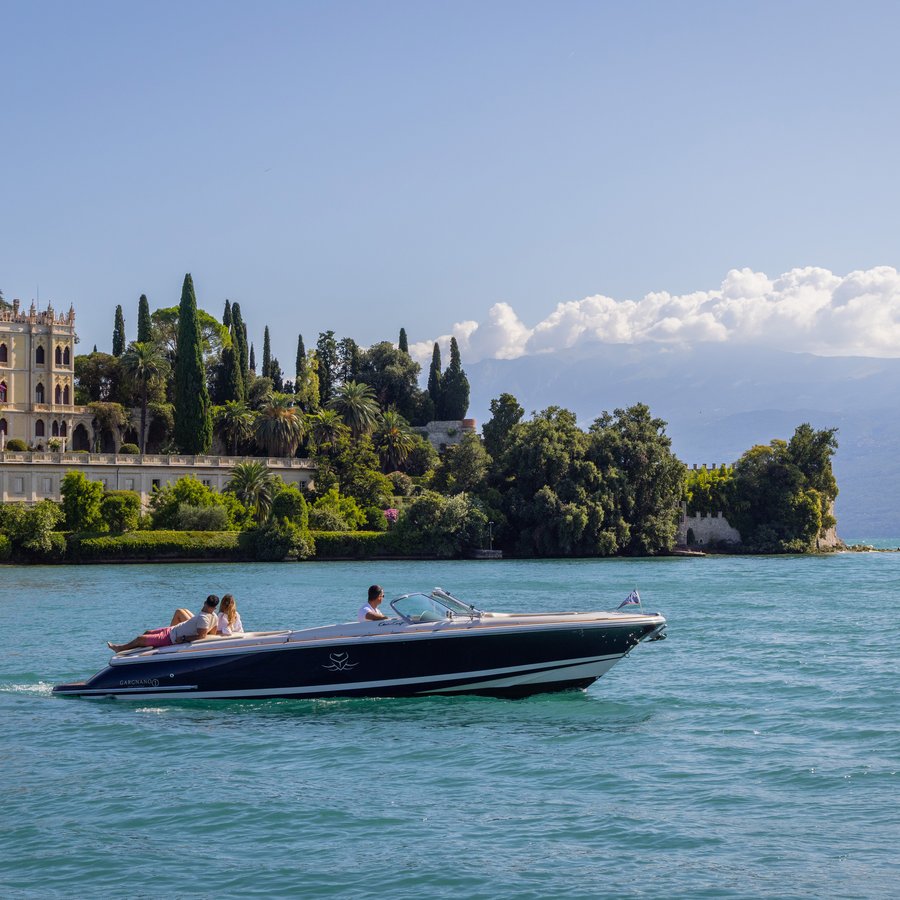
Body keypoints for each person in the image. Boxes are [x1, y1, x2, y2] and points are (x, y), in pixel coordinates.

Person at [107, 595, 220, 653]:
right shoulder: (214, 616)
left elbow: (202, 636)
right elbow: (213, 632)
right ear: (214, 607)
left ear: (205, 602)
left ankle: (120, 648)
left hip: (171, 638)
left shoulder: (204, 618)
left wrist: (184, 638)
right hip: (172, 630)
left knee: (140, 638)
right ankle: (134, 648)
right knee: (148, 632)